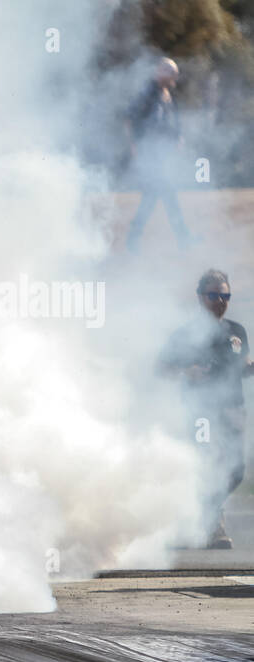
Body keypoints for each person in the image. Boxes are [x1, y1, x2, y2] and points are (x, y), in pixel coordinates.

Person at [161, 269, 252, 548]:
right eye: (214, 295)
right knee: (204, 465)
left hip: (233, 410)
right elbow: (163, 367)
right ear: (201, 297)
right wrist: (186, 371)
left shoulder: (237, 331)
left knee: (235, 471)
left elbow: (241, 366)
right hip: (201, 412)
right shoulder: (187, 333)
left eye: (225, 295)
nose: (220, 301)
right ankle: (205, 525)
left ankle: (205, 518)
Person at [124, 57, 193, 252]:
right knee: (165, 194)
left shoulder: (167, 94)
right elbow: (129, 118)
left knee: (154, 196)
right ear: (159, 72)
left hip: (162, 154)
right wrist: (134, 146)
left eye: (175, 73)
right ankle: (182, 238)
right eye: (171, 72)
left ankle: (134, 240)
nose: (175, 76)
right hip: (149, 153)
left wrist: (177, 139)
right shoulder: (148, 93)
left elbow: (170, 123)